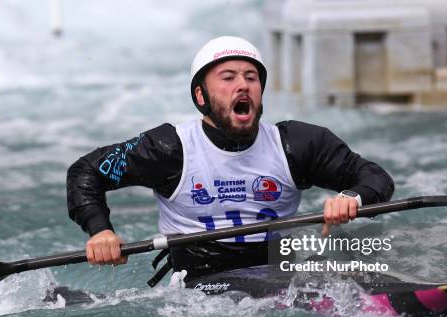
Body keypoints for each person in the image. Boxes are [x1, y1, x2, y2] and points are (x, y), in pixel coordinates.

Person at [67, 36, 394, 284]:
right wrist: (101, 232)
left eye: (251, 78)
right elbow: (86, 171)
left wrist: (352, 197)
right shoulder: (168, 148)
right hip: (200, 289)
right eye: (228, 77)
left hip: (280, 277)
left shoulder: (298, 144)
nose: (243, 85)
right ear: (201, 96)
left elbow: (375, 177)